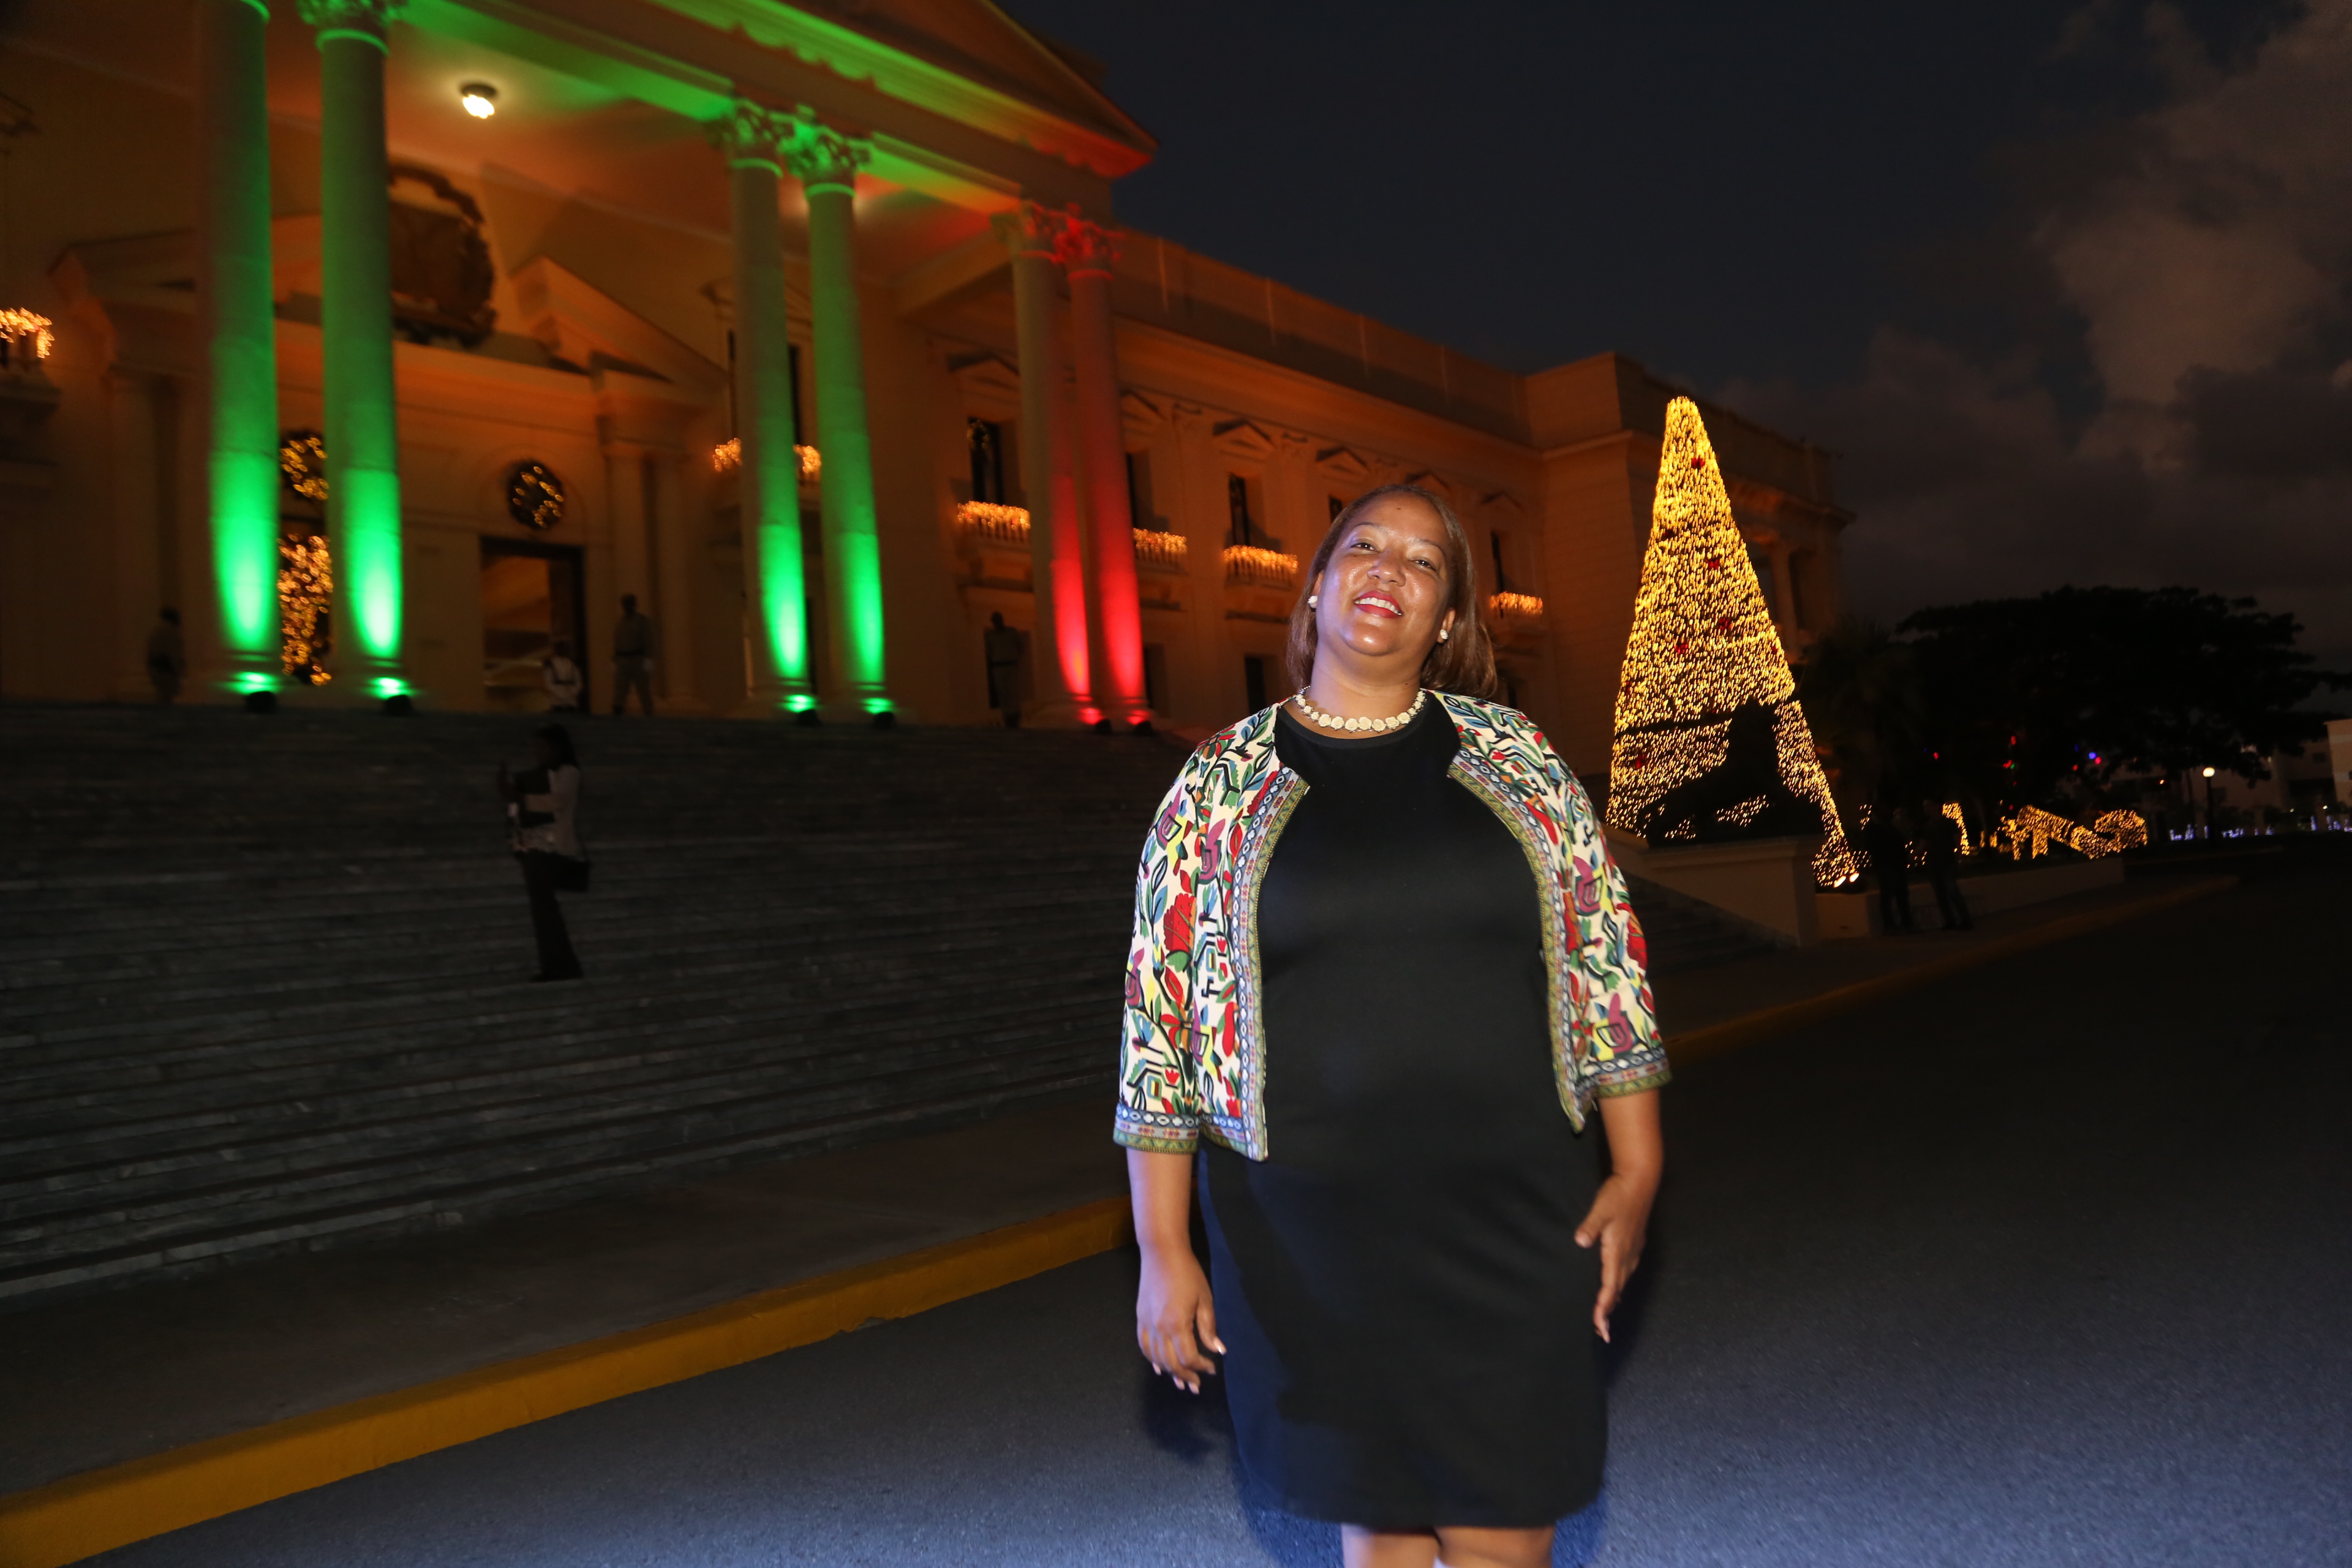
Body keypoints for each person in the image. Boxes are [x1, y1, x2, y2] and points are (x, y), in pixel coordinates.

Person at [1118, 484, 1668, 1568]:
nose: (1389, 570)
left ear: (1448, 617)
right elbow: (1159, 1022)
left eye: (1424, 562)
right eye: (1364, 546)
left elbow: (1606, 956)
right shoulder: (1216, 785)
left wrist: (1639, 1167)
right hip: (1307, 1232)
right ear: (1317, 584)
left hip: (1513, 1213)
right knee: (1378, 1526)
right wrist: (1162, 1248)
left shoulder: (1518, 757)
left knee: (1506, 1524)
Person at [499, 723, 585, 981]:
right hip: (532, 845)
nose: (538, 752)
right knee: (543, 909)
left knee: (545, 909)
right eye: (535, 747)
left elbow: (557, 802)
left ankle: (561, 966)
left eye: (542, 746)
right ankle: (559, 965)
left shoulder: (568, 772)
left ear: (557, 747)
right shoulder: (535, 775)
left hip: (551, 846)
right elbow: (518, 810)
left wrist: (520, 798)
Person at [1863, 799, 1915, 933]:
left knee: (1902, 894)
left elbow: (1899, 842)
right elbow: (1874, 847)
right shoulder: (1872, 829)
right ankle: (1890, 925)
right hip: (1886, 865)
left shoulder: (1888, 826)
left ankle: (1906, 923)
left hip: (1896, 864)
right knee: (1888, 895)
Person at [1923, 803, 1973, 930]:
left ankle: (1965, 920)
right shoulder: (1927, 826)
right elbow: (1924, 843)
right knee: (1940, 894)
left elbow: (1957, 841)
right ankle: (1950, 921)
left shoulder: (1948, 823)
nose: (1925, 809)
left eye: (1927, 806)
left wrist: (1959, 858)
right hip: (1933, 862)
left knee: (1952, 891)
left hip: (1946, 861)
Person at [612, 594, 655, 717]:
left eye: (629, 603)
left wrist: (649, 665)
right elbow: (617, 642)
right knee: (620, 688)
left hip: (638, 660)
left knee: (643, 689)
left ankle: (648, 713)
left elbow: (648, 643)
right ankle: (618, 711)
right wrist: (615, 661)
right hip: (623, 660)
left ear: (634, 604)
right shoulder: (621, 622)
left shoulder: (641, 621)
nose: (627, 606)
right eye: (625, 603)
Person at [982, 611, 1024, 728]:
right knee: (1003, 692)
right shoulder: (991, 636)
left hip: (1010, 665)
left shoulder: (1011, 633)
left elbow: (1020, 647)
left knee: (1012, 691)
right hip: (999, 666)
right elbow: (990, 651)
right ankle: (1007, 716)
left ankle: (1015, 716)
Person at [146, 608, 185, 704]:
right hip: (168, 670)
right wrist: (179, 669)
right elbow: (174, 653)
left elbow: (150, 652)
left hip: (158, 669)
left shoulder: (156, 631)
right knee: (167, 697)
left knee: (161, 696)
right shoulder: (172, 632)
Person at [541, 639, 584, 712]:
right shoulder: (551, 664)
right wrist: (559, 692)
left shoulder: (572, 664)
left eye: (563, 648)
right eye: (560, 647)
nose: (562, 650)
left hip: (571, 701)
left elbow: (579, 682)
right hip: (557, 701)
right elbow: (548, 682)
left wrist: (573, 691)